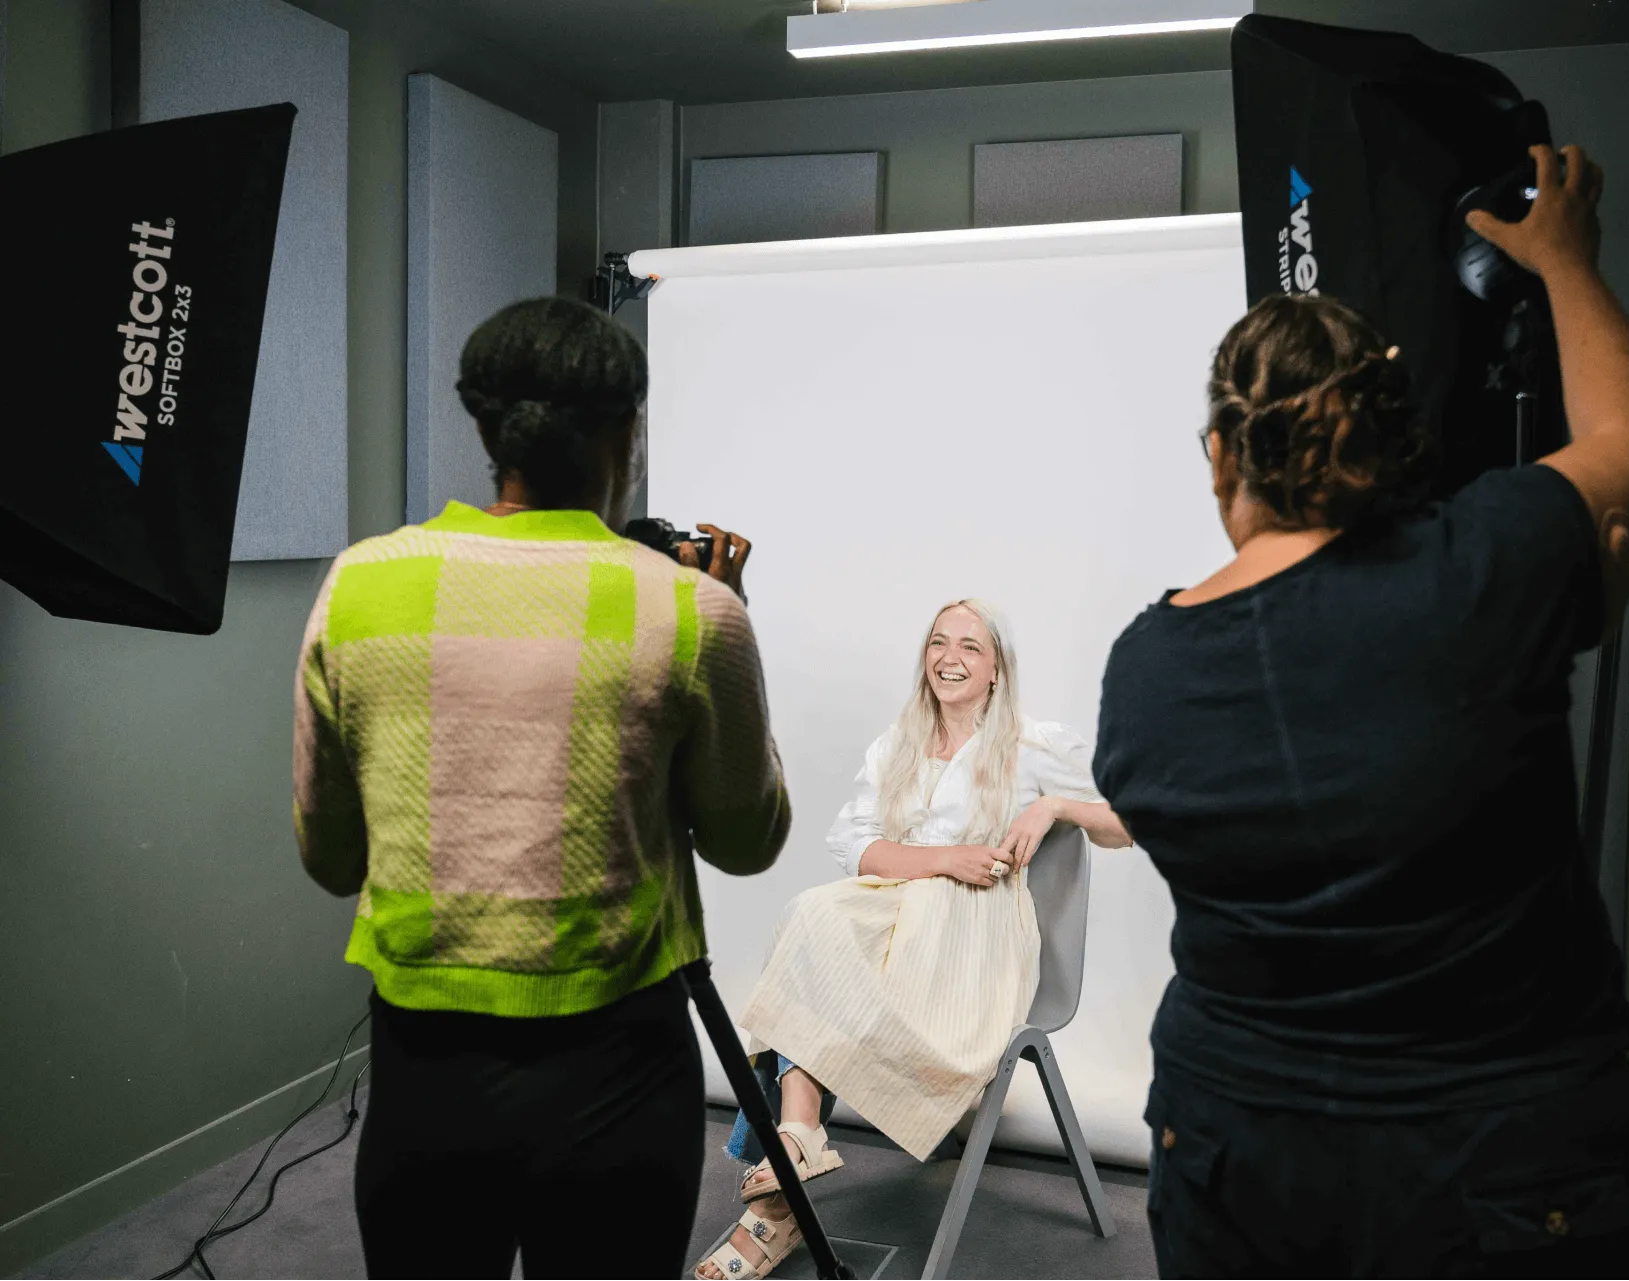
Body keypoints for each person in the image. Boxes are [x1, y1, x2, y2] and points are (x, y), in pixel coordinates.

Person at [1093, 144, 1629, 1279]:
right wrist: (1564, 262)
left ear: (1221, 456)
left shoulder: (1146, 667)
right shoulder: (1492, 564)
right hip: (1500, 1158)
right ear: (1392, 433)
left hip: (1236, 1150)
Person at [292, 296, 789, 1280]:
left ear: (486, 431)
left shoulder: (358, 585)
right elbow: (746, 839)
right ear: (627, 433)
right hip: (621, 1071)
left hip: (422, 1078)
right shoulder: (694, 613)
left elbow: (330, 856)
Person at [693, 598, 1132, 1280]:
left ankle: (776, 1201)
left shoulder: (1034, 744)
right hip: (892, 909)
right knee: (814, 920)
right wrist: (942, 858)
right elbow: (856, 845)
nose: (949, 657)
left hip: (972, 935)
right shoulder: (898, 741)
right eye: (937, 642)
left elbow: (1124, 823)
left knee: (813, 975)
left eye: (969, 646)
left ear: (996, 669)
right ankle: (797, 1136)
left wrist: (1054, 805)